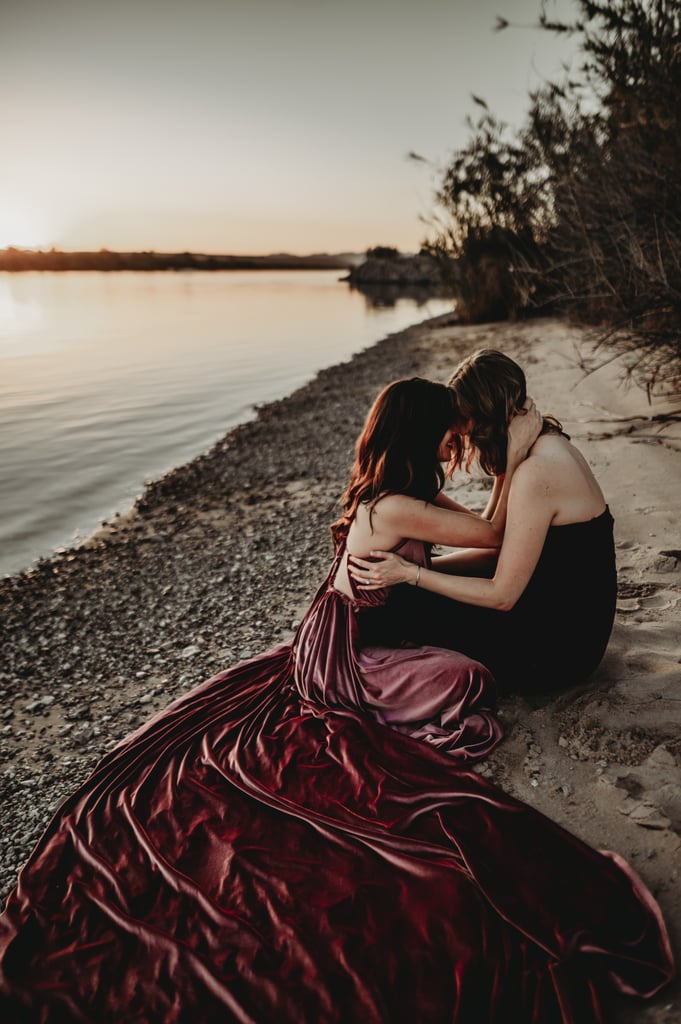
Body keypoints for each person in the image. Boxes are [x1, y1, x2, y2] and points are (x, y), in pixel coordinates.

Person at [0, 379, 672, 1023]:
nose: (457, 445)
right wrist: (517, 457)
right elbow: (499, 536)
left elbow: (484, 541)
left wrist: (470, 516)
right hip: (351, 646)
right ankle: (389, 690)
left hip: (355, 625)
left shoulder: (402, 495)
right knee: (460, 678)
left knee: (455, 668)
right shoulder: (396, 506)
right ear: (420, 433)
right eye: (451, 434)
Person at [350, 350, 617, 693]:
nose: (457, 430)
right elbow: (495, 545)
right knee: (407, 598)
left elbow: (502, 594)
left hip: (558, 653)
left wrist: (414, 574)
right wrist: (426, 569)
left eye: (461, 417)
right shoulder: (545, 448)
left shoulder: (537, 473)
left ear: (484, 415)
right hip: (569, 623)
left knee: (403, 611)